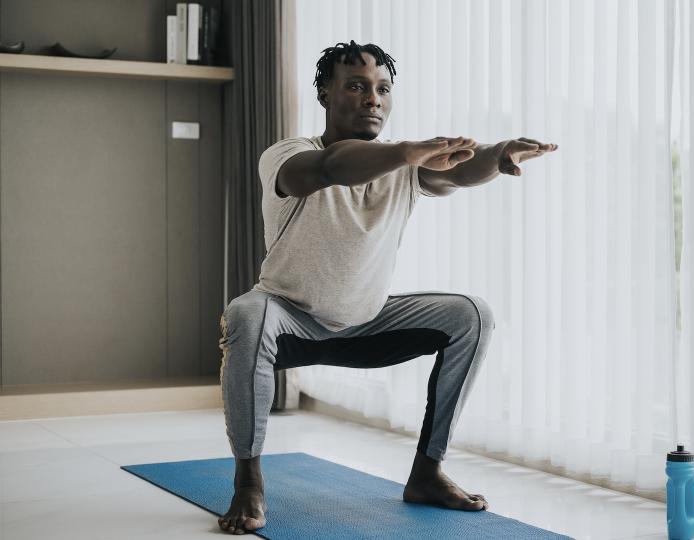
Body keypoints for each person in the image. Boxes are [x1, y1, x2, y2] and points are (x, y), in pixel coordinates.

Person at [216, 40, 557, 535]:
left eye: (382, 89)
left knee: (471, 314)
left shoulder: (405, 168)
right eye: (356, 86)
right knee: (246, 313)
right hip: (288, 319)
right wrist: (406, 153)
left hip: (367, 319)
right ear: (325, 94)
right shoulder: (286, 155)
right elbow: (329, 168)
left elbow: (460, 170)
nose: (373, 98)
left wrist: (498, 154)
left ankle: (428, 473)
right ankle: (249, 481)